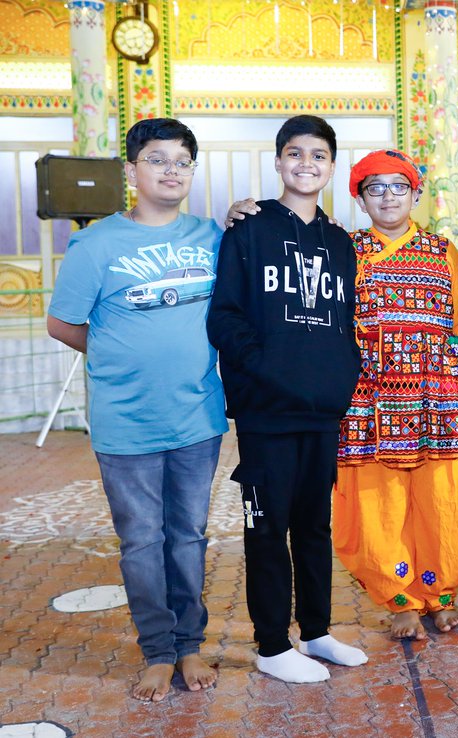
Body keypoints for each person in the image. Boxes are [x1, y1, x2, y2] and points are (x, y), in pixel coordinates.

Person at [46, 118, 226, 701]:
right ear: (131, 170)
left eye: (181, 161)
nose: (170, 170)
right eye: (156, 159)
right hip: (126, 423)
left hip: (197, 415)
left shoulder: (212, 237)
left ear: (192, 171)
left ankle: (191, 644)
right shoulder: (96, 243)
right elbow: (63, 324)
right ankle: (158, 650)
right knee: (143, 542)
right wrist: (121, 359)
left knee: (189, 536)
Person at [207, 114, 367, 683]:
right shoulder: (247, 229)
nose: (306, 164)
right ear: (278, 162)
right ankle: (272, 644)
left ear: (330, 165)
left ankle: (317, 632)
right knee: (267, 527)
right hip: (267, 410)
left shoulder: (340, 241)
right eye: (295, 154)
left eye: (318, 155)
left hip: (323, 407)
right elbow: (224, 314)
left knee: (314, 525)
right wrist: (263, 367)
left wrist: (341, 374)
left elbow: (344, 321)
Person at [333, 149, 458, 641]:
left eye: (398, 186)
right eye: (374, 188)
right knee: (375, 503)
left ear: (416, 194)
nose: (387, 196)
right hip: (369, 398)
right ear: (360, 198)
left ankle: (440, 593)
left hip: (438, 397)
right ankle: (399, 599)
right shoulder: (341, 249)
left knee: (446, 500)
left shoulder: (443, 251)